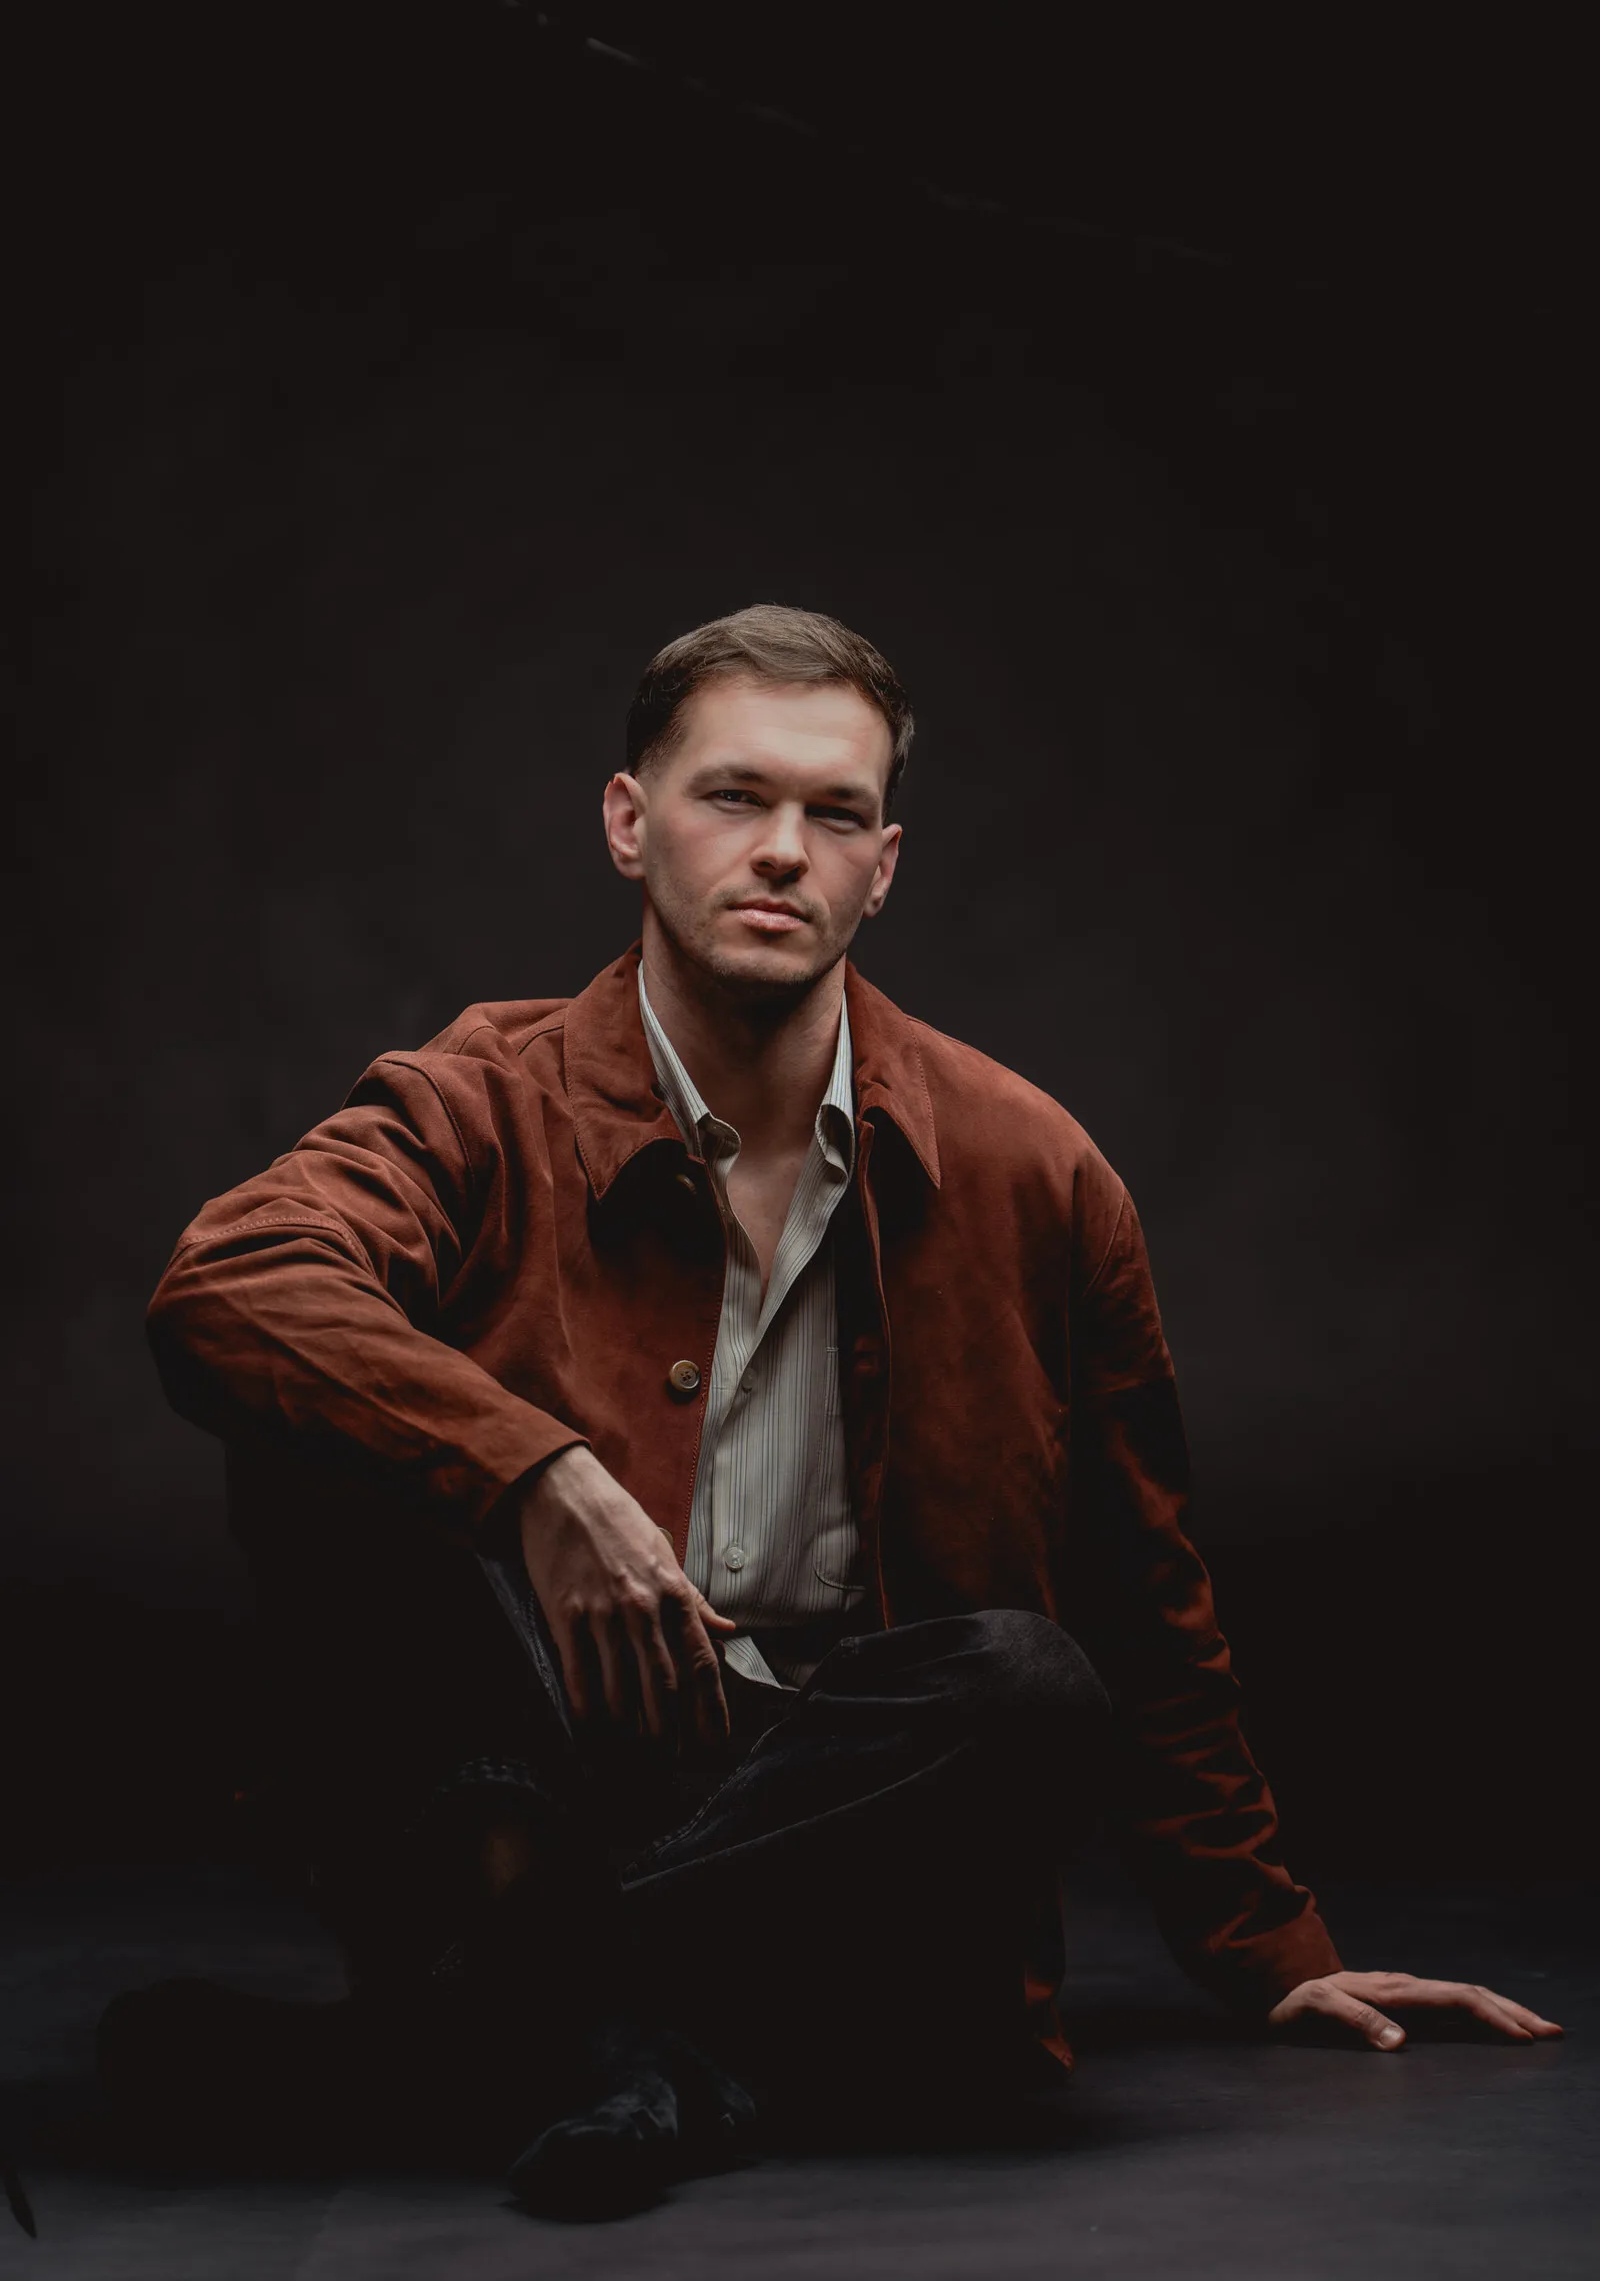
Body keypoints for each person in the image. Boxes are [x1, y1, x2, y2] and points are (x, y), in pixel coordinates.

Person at [141, 604, 1559, 2217]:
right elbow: (227, 1282)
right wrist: (537, 1480)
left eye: (834, 815)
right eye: (731, 798)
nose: (781, 854)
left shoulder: (1035, 1168)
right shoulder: (483, 1096)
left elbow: (1145, 1594)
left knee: (1029, 1682)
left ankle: (487, 2033)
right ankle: (616, 2030)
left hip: (839, 1821)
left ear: (885, 865)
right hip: (545, 1779)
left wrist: (1270, 1954)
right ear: (629, 823)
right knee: (328, 1431)